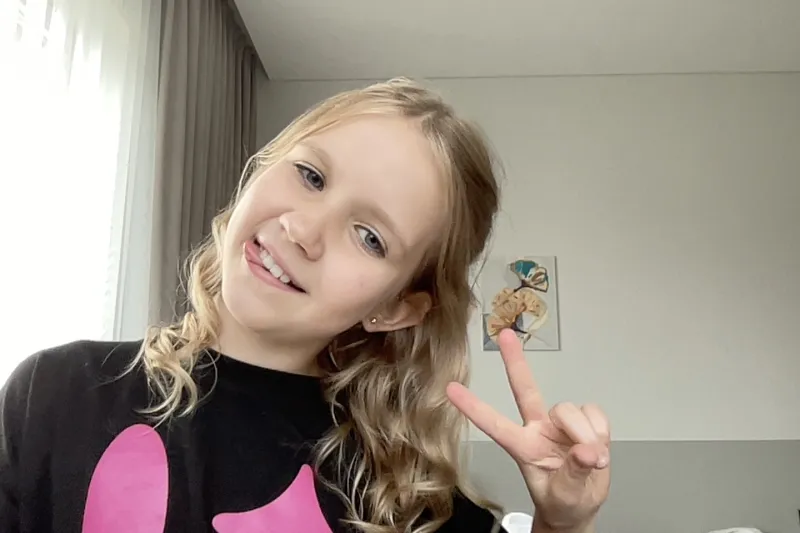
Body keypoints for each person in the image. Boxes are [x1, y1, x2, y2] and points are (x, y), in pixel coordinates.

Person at [0, 78, 610, 533]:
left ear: (396, 307)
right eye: (311, 176)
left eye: (369, 237)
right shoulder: (54, 392)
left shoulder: (406, 507)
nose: (302, 229)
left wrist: (564, 524)